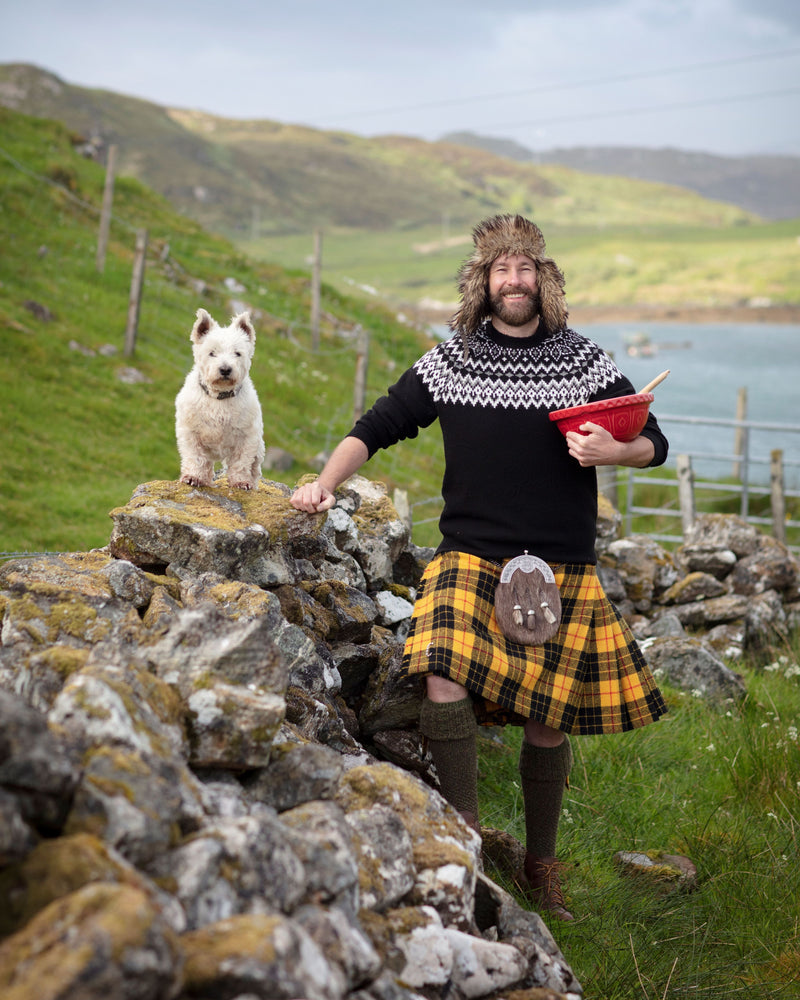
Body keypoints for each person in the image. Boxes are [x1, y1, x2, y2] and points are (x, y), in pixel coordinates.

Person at [291, 213, 669, 921]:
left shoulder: (583, 362)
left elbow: (653, 438)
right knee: (441, 669)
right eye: (502, 269)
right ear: (483, 282)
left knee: (547, 719)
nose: (515, 280)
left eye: (526, 268)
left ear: (543, 280)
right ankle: (464, 838)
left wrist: (611, 453)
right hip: (471, 555)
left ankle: (541, 864)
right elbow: (378, 424)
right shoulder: (452, 360)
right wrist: (322, 482)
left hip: (561, 564)